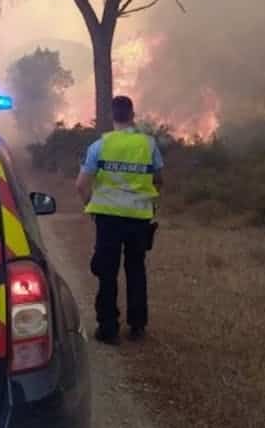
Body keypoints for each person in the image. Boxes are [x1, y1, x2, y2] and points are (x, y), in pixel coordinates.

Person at [76, 96, 164, 345]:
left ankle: (108, 328)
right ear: (132, 114)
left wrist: (91, 206)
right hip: (138, 219)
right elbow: (159, 179)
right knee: (136, 270)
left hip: (108, 220)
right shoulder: (148, 145)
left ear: (112, 116)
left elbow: (81, 185)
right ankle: (137, 326)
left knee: (107, 272)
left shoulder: (99, 146)